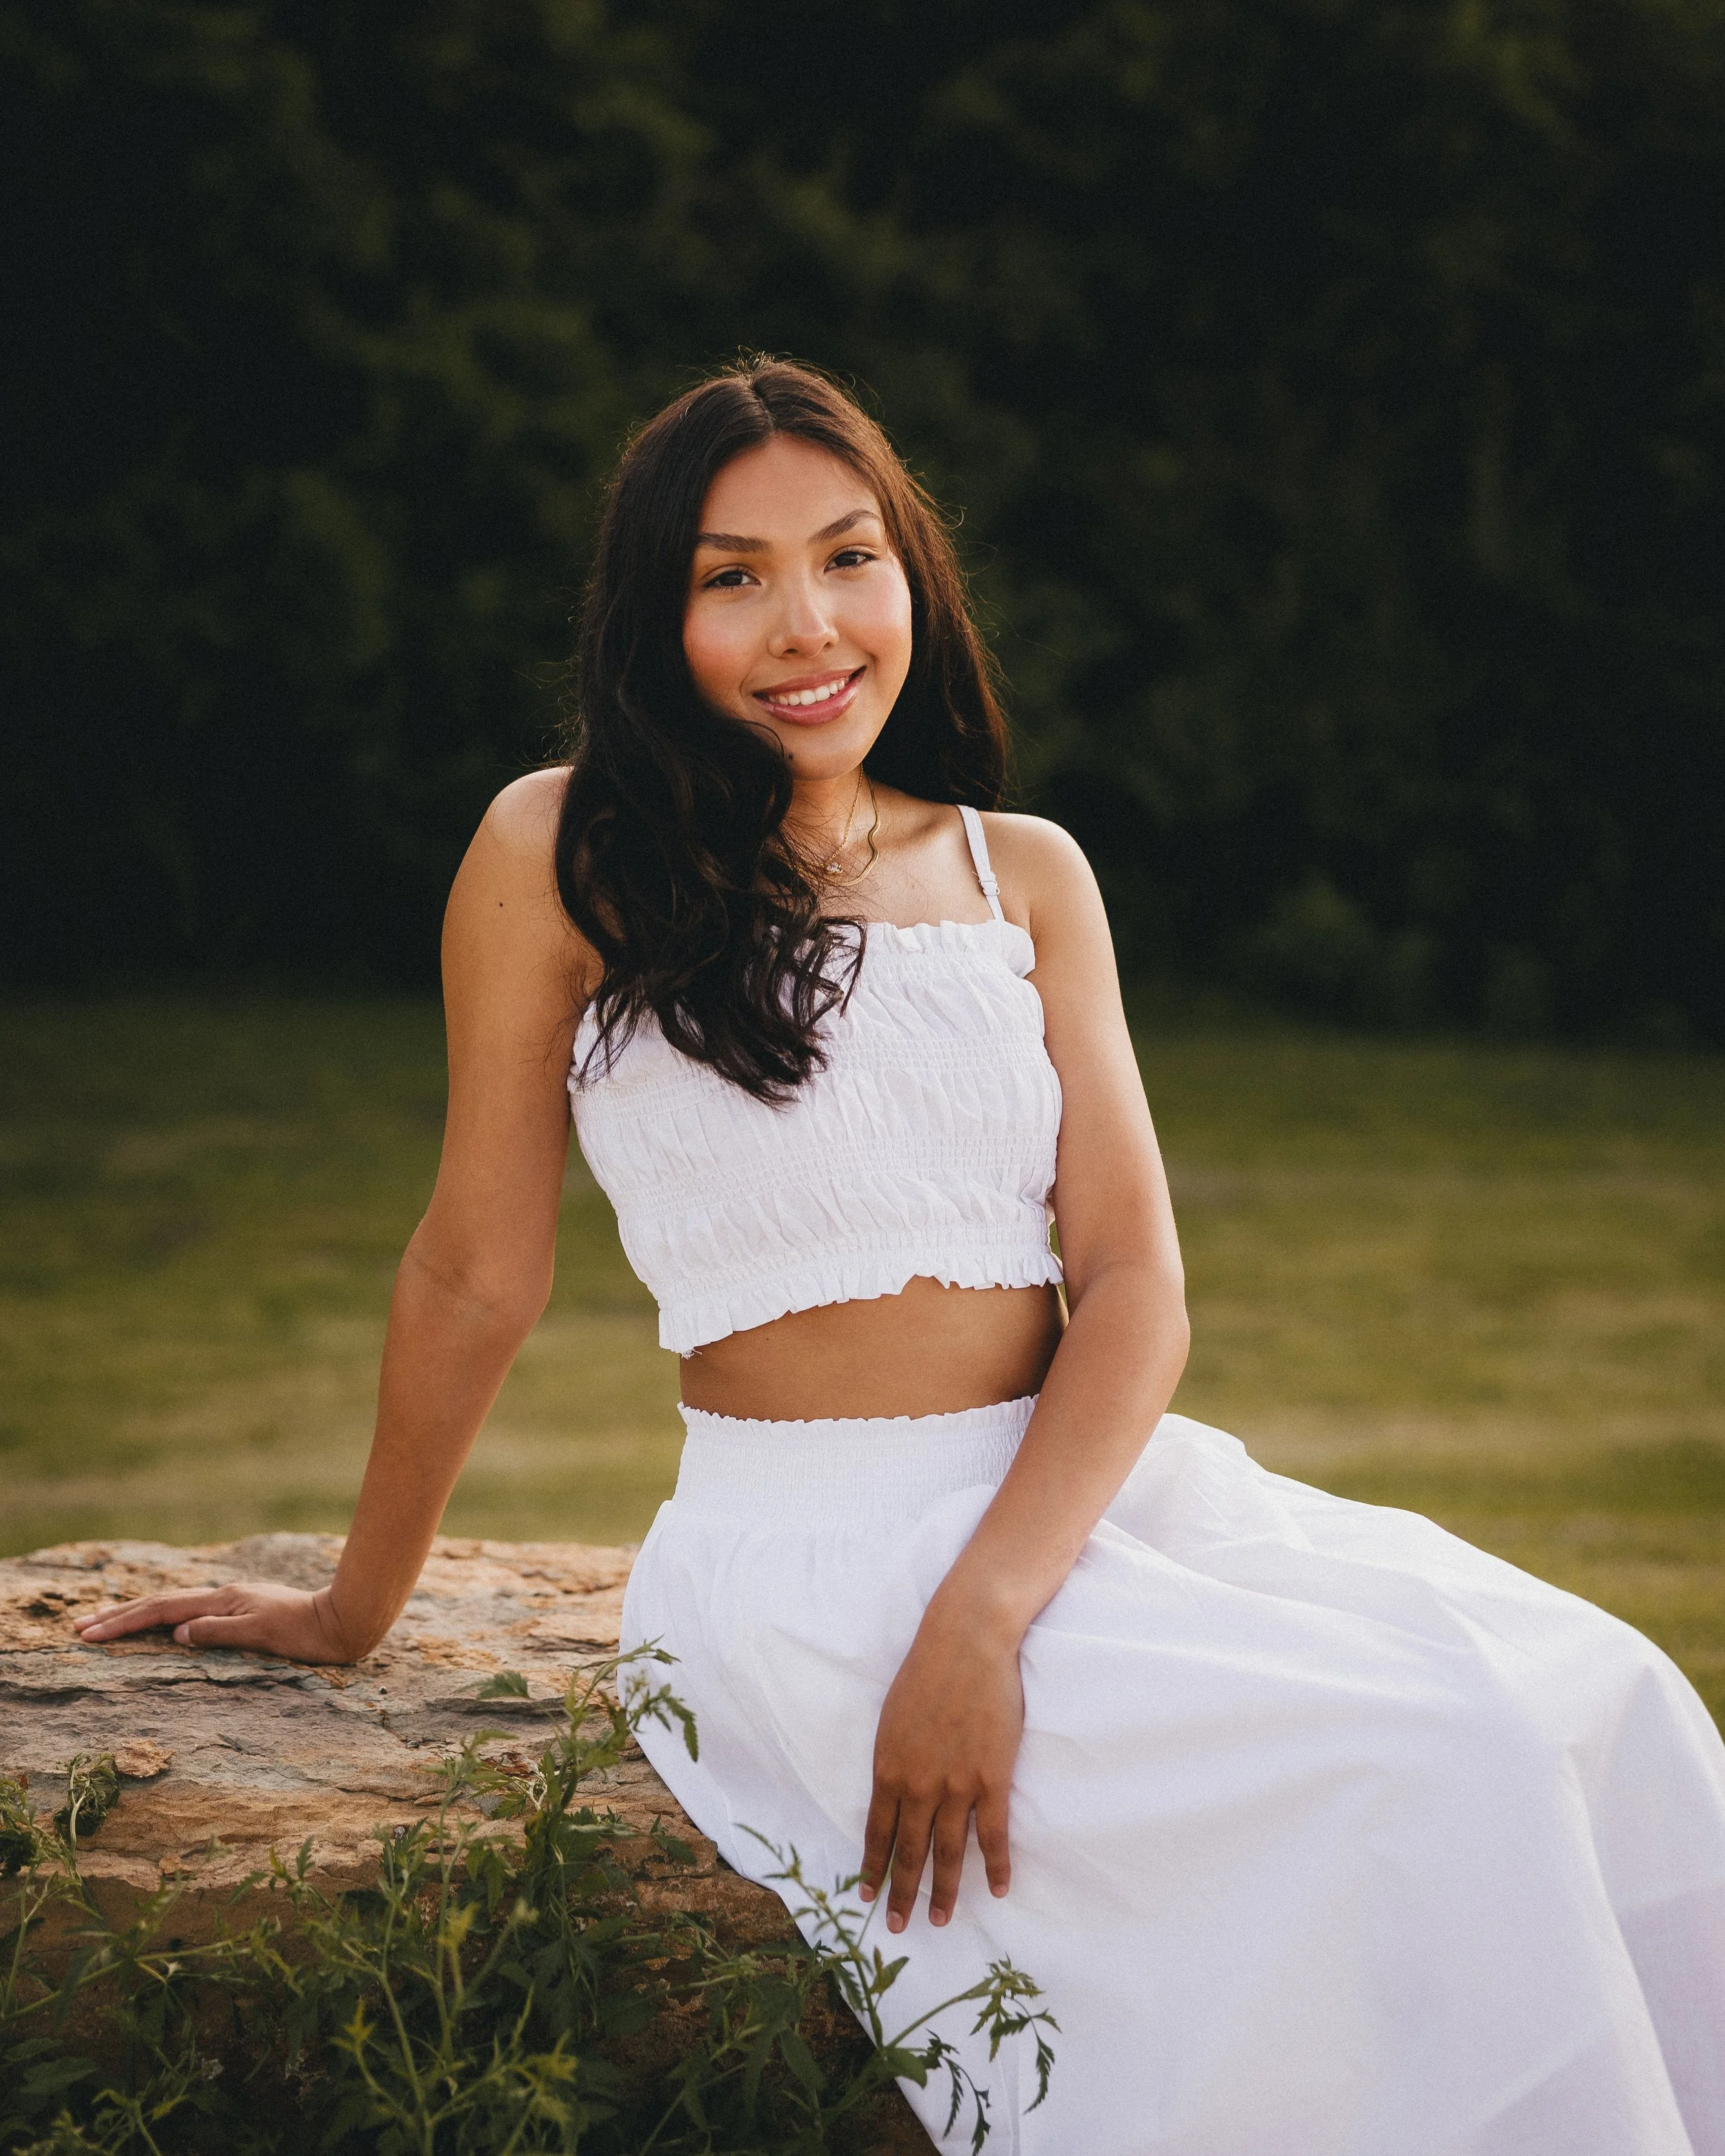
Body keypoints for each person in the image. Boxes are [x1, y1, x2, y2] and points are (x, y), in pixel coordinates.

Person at [77, 360, 1725, 2154]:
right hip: (808, 1555)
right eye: (732, 576)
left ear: (911, 578)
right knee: (1431, 1769)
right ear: (656, 614)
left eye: (845, 557)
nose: (806, 624)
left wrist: (991, 1607)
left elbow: (1134, 1283)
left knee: (1591, 1694)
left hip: (1082, 1509)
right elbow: (475, 1270)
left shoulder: (1021, 871)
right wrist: (353, 1605)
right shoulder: (557, 851)